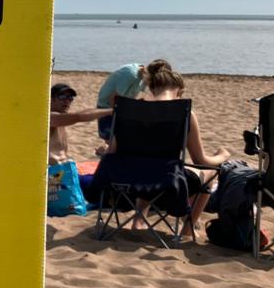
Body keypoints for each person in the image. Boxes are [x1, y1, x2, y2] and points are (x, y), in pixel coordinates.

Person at [96, 60, 228, 235]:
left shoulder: (128, 110)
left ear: (151, 89)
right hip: (166, 182)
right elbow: (201, 160)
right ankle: (187, 230)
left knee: (147, 163)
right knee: (211, 173)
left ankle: (139, 220)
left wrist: (104, 152)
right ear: (179, 91)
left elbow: (111, 153)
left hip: (126, 179)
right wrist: (222, 156)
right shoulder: (185, 112)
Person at [49, 83, 112, 167]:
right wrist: (112, 111)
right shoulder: (50, 117)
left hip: (63, 169)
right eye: (62, 97)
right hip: (53, 175)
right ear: (51, 99)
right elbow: (80, 116)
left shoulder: (61, 118)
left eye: (70, 98)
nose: (67, 101)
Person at [95, 63, 145, 140]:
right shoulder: (131, 75)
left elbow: (132, 95)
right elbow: (113, 98)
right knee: (110, 138)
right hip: (106, 105)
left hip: (121, 105)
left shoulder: (144, 78)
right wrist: (118, 116)